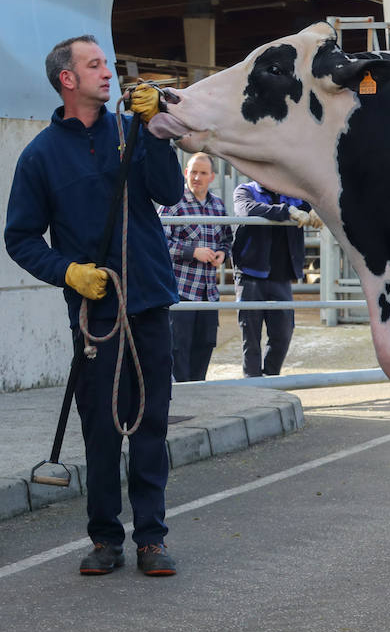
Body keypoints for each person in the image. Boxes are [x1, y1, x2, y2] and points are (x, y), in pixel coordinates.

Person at [4, 35, 183, 576]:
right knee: (102, 428)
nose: (107, 72)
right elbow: (21, 238)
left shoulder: (131, 130)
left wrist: (156, 131)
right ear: (67, 79)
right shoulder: (39, 156)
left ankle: (152, 538)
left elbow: (170, 192)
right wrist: (68, 273)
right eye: (94, 65)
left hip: (148, 300)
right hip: (96, 314)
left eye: (106, 63)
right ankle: (105, 538)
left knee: (150, 424)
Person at [231, 180, 319, 377]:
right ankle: (253, 384)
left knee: (283, 334)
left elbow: (314, 205)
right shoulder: (247, 190)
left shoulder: (293, 192)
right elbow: (247, 209)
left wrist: (316, 211)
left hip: (281, 275)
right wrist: (287, 212)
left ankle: (270, 378)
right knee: (251, 338)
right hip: (250, 273)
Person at [160, 153, 230, 382]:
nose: (197, 177)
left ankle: (198, 394)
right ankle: (181, 399)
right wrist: (192, 252)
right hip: (181, 292)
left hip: (208, 293)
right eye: (193, 172)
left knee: (206, 344)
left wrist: (223, 253)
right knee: (178, 349)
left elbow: (227, 240)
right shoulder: (173, 203)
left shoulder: (218, 206)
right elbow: (159, 243)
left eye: (202, 173)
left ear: (212, 177)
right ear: (185, 173)